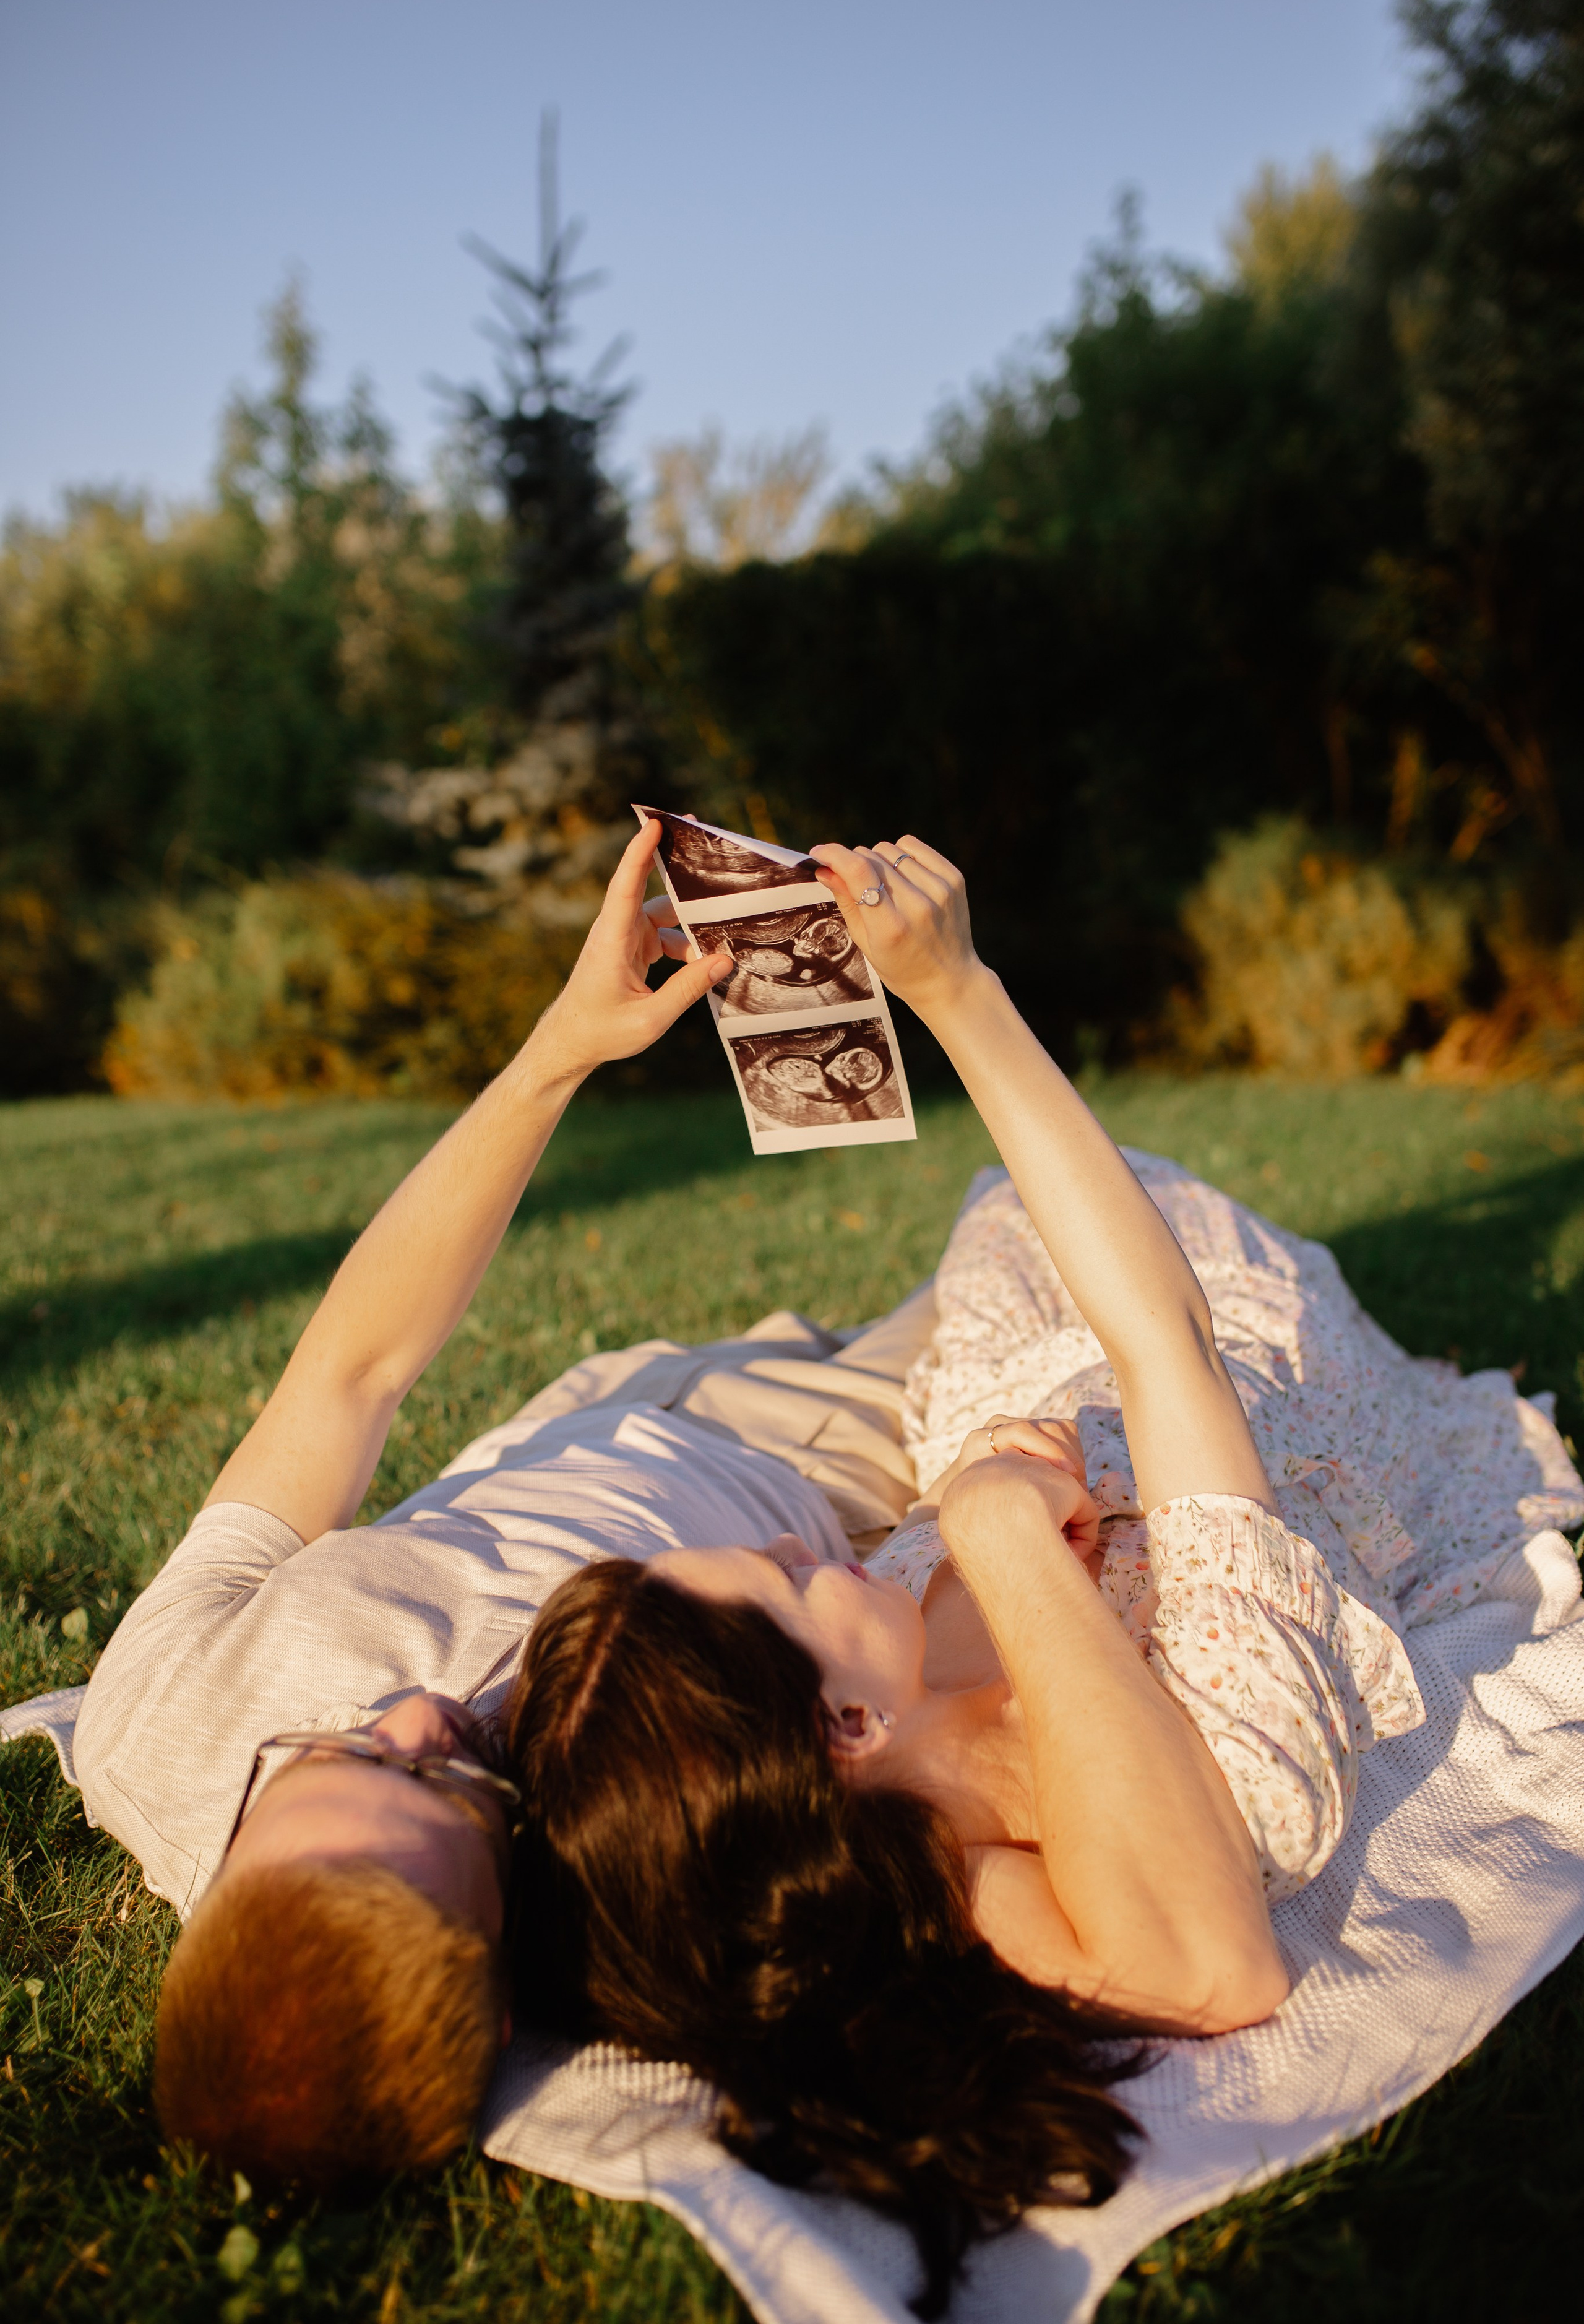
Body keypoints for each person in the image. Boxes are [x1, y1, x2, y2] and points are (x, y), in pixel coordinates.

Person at [506, 834, 1445, 2318]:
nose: (797, 1548)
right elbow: (1165, 1347)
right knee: (1107, 1228)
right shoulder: (1022, 1878)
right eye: (779, 1583)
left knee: (1011, 1230)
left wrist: (993, 1496)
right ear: (844, 1730)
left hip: (1024, 1289)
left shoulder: (936, 1846)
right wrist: (956, 993)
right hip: (1190, 1300)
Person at [71, 818, 883, 2195]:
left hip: (606, 1407)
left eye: (342, 1762)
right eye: (447, 1785)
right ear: (507, 1986)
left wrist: (560, 1046)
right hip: (830, 1489)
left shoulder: (154, 1722)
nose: (414, 1722)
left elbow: (350, 1376)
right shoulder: (609, 1908)